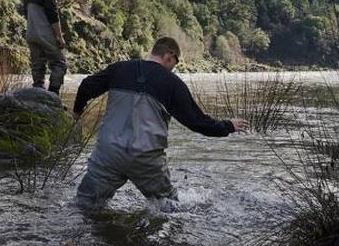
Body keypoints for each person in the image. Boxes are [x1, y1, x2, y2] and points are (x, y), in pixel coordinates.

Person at [72, 37, 248, 208]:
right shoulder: (172, 83)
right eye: (175, 63)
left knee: (86, 204)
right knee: (169, 207)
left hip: (108, 154)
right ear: (169, 55)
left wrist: (77, 111)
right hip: (146, 159)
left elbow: (86, 86)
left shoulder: (120, 69)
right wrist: (228, 126)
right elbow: (197, 122)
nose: (173, 68)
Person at [22, 0, 67, 94]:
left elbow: (25, 14)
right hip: (44, 34)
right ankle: (53, 95)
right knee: (59, 62)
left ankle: (38, 94)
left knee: (38, 65)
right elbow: (53, 16)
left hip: (31, 34)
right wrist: (59, 36)